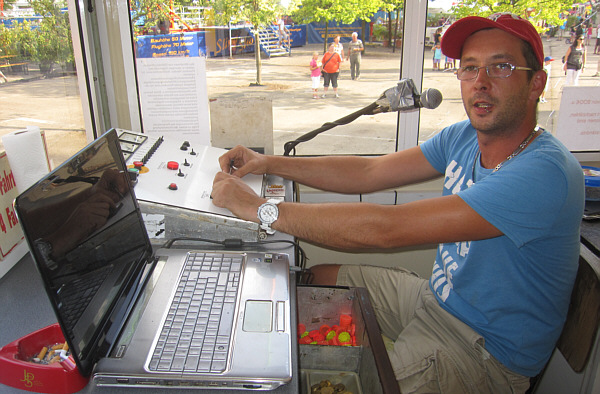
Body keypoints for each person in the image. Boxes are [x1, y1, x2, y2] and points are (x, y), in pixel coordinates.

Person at [211, 13, 584, 393]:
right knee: (315, 281)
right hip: (435, 299)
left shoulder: (544, 173)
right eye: (470, 68)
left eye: (500, 67)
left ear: (536, 83)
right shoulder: (464, 136)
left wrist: (259, 209)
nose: (480, 83)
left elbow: (386, 229)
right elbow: (369, 174)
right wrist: (270, 163)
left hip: (482, 353)